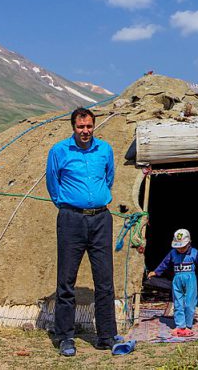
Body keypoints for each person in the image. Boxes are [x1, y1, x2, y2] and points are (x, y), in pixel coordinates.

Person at [46, 107, 117, 357]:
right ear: (73, 127)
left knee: (105, 280)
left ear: (94, 126)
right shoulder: (59, 151)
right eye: (80, 127)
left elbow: (109, 179)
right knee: (66, 280)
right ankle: (65, 336)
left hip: (101, 219)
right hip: (71, 220)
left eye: (89, 126)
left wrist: (94, 201)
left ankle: (106, 335)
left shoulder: (105, 150)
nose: (85, 131)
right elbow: (52, 185)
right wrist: (70, 205)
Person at [147, 228, 198, 337]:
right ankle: (181, 325)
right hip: (177, 280)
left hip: (190, 279)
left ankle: (188, 325)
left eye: (183, 247)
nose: (180, 249)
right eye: (178, 247)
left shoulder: (194, 253)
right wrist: (156, 272)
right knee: (178, 302)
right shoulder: (172, 253)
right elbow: (164, 263)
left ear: (189, 243)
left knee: (189, 303)